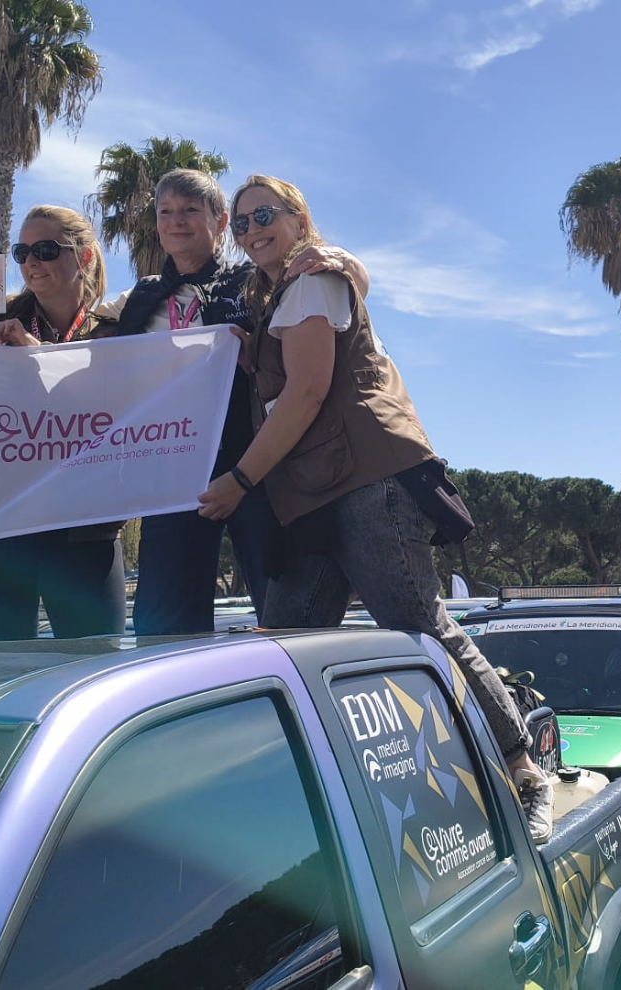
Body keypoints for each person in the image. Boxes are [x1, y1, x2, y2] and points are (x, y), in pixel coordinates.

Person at [197, 175, 556, 842]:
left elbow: (306, 394)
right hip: (309, 498)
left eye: (264, 215)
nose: (251, 231)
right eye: (241, 223)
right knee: (286, 644)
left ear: (298, 217)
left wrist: (239, 481)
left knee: (419, 626)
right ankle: (294, 806)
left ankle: (524, 773)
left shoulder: (312, 281)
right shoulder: (273, 292)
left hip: (367, 483)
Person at [0, 169, 367, 636]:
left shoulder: (258, 281)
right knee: (164, 624)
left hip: (258, 470)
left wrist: (342, 258)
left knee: (282, 614)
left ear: (218, 223)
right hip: (171, 477)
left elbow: (342, 284)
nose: (177, 222)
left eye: (192, 210)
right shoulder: (138, 300)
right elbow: (81, 351)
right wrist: (3, 319)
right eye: (165, 212)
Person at [0, 205, 125, 641]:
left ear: (85, 257)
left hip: (83, 532)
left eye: (46, 249)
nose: (31, 262)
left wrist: (33, 352)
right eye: (22, 252)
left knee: (96, 670)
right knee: (0, 676)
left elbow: (104, 412)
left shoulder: (113, 333)